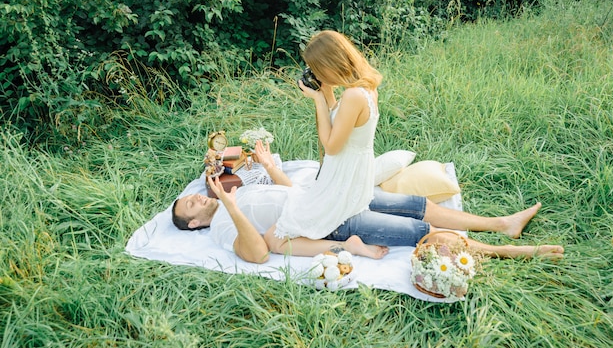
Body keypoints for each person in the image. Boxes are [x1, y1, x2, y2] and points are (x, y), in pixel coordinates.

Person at [172, 140, 564, 264]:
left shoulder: (239, 188)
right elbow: (258, 254)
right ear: (193, 224)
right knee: (417, 231)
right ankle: (510, 249)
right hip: (333, 222)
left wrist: (269, 165)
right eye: (188, 206)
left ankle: (500, 221)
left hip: (325, 196)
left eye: (190, 196)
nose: (193, 198)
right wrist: (231, 206)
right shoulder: (223, 226)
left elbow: (290, 188)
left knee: (416, 203)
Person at [273, 30, 382, 240]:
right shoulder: (363, 88)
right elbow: (341, 123)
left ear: (330, 65)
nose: (316, 73)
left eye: (317, 69)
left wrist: (318, 100)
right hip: (353, 172)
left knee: (296, 220)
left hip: (345, 178)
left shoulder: (353, 96)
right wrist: (327, 92)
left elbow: (332, 147)